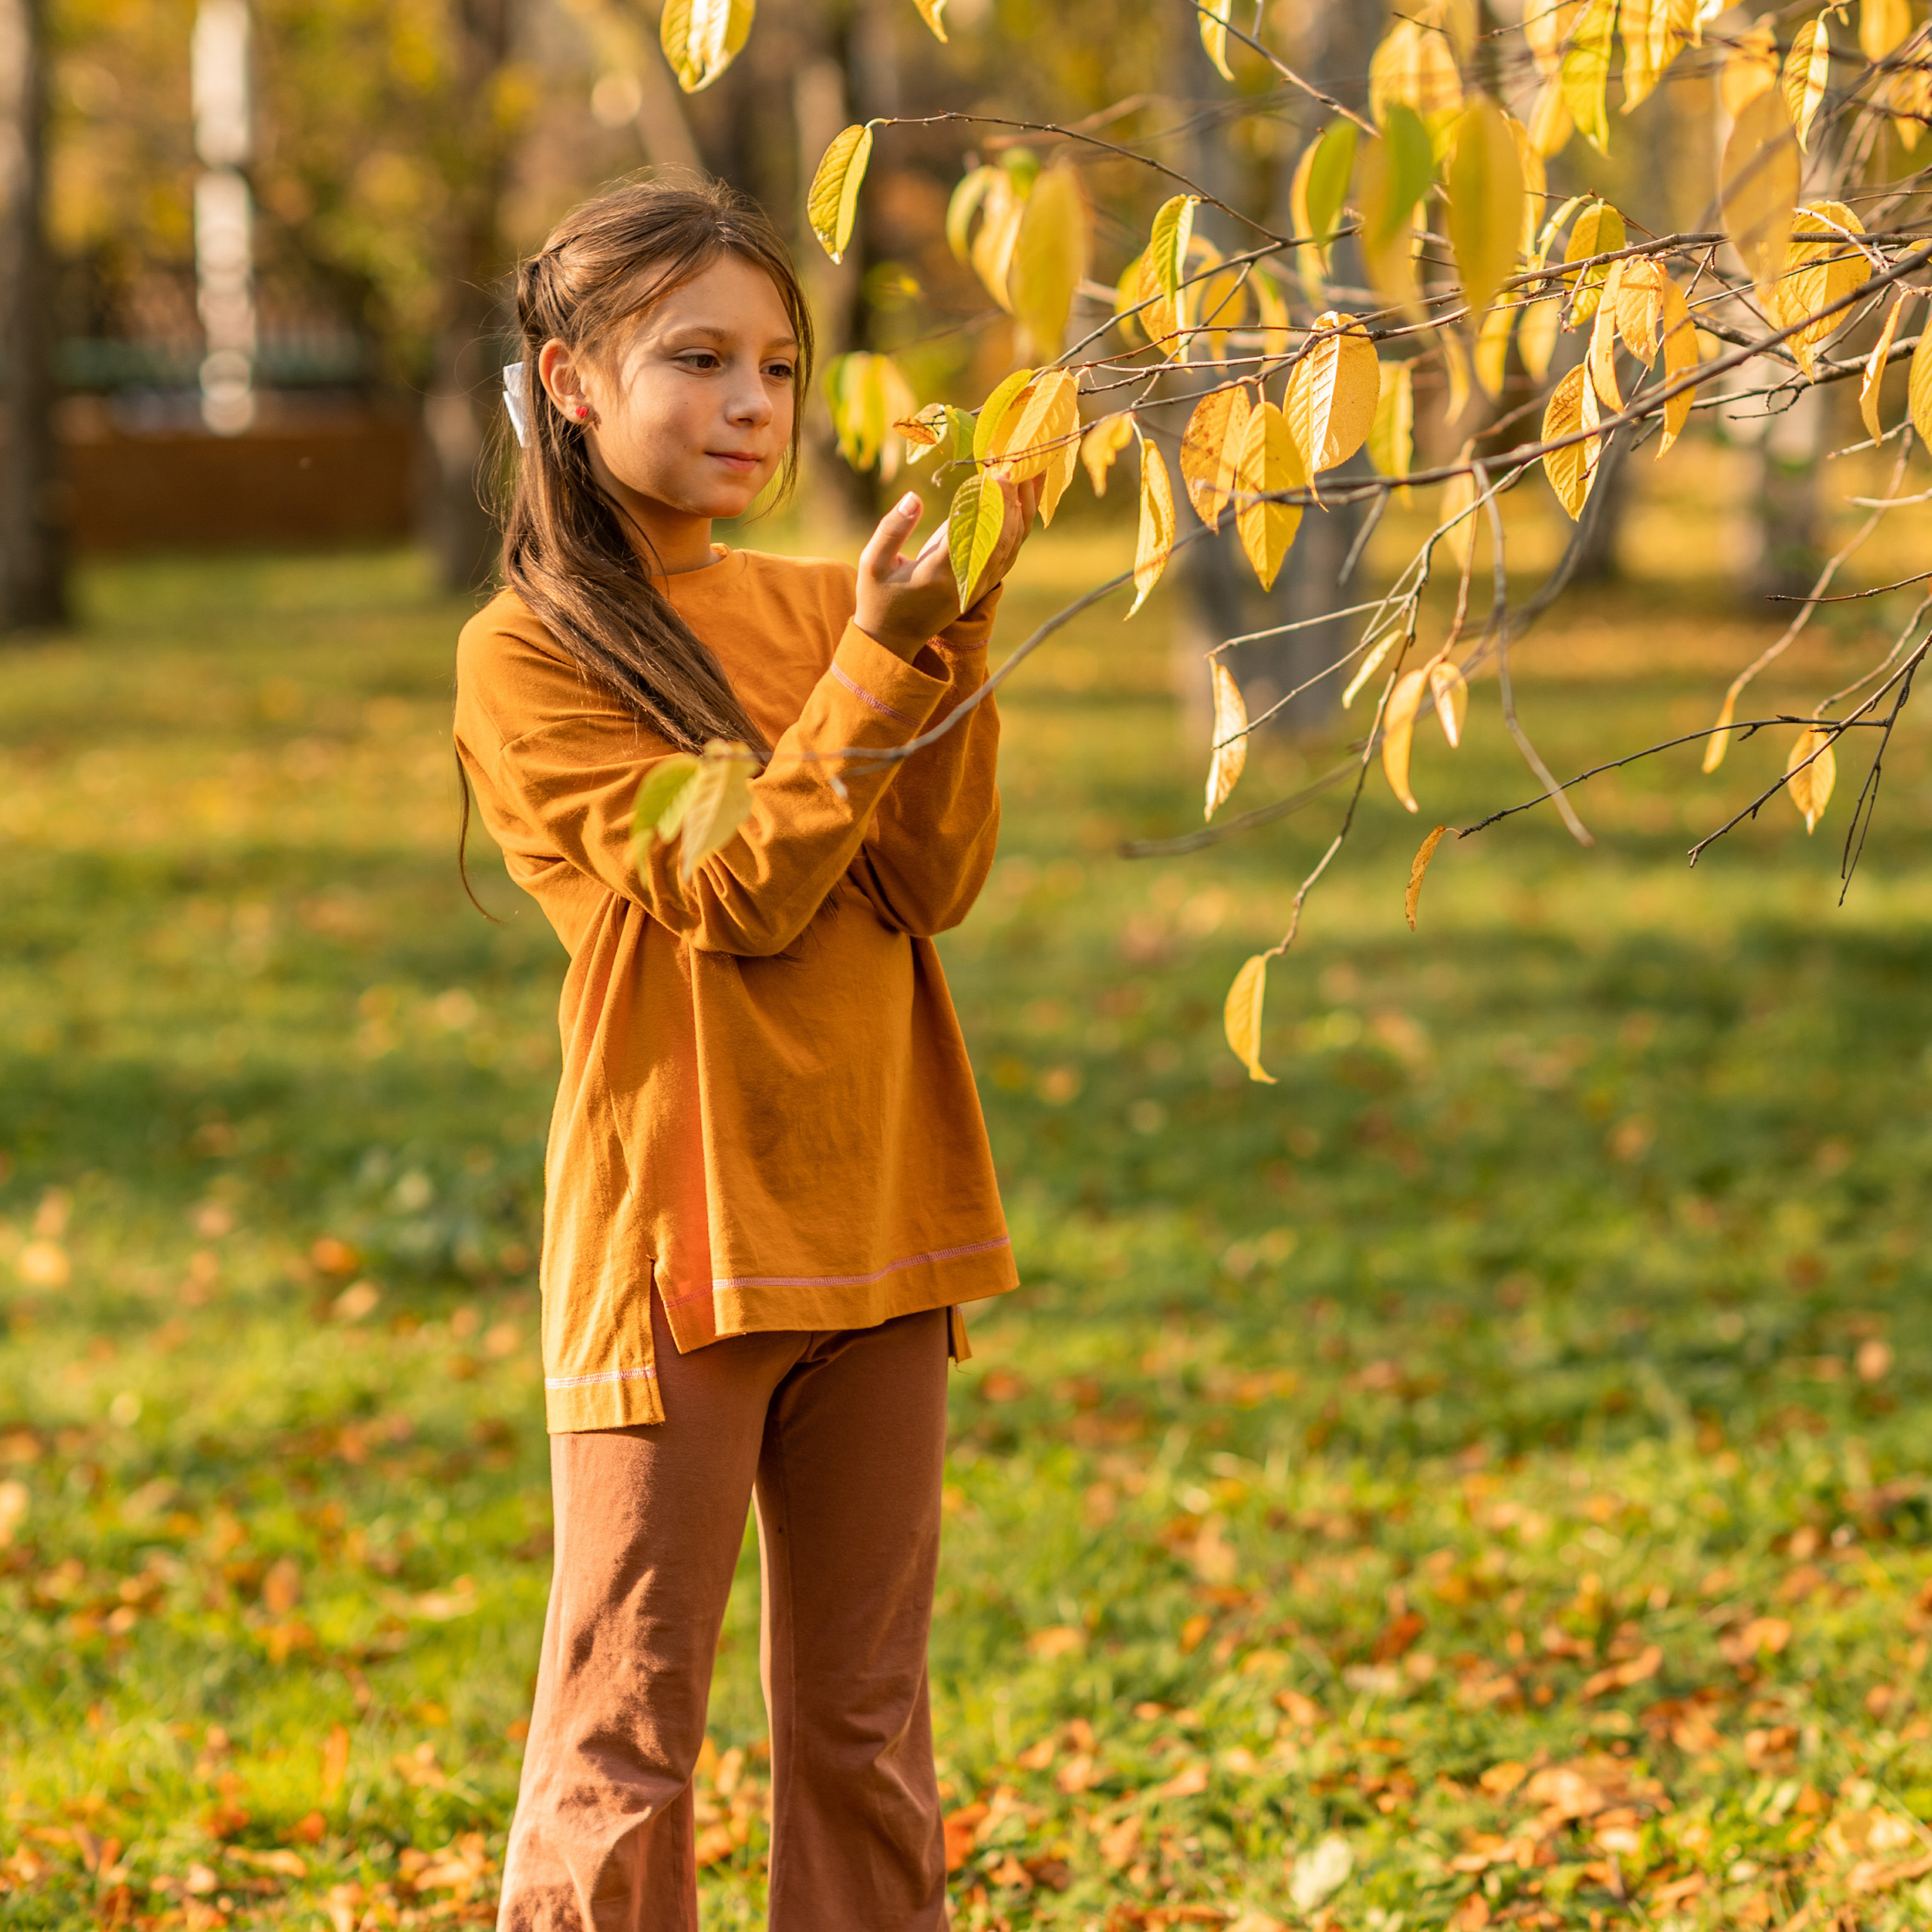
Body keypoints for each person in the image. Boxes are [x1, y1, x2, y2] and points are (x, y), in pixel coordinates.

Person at [453, 175, 1036, 1932]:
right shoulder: (525, 653)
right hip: (678, 1241)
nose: (749, 407)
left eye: (776, 368)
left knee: (863, 1728)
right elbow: (737, 889)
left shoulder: (814, 606)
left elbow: (926, 876)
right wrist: (875, 653)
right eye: (696, 358)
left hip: (880, 1209)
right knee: (623, 1729)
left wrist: (949, 637)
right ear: (570, 379)